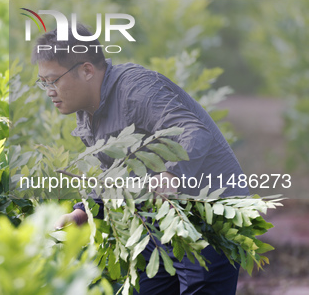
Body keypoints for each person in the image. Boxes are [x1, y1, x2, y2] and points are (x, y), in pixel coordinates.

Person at [31, 24, 248, 294]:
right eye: (43, 82)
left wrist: (172, 173)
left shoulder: (137, 90)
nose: (49, 90)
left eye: (53, 80)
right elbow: (115, 170)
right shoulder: (89, 108)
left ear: (87, 70)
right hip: (158, 219)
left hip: (206, 213)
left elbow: (194, 132)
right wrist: (83, 211)